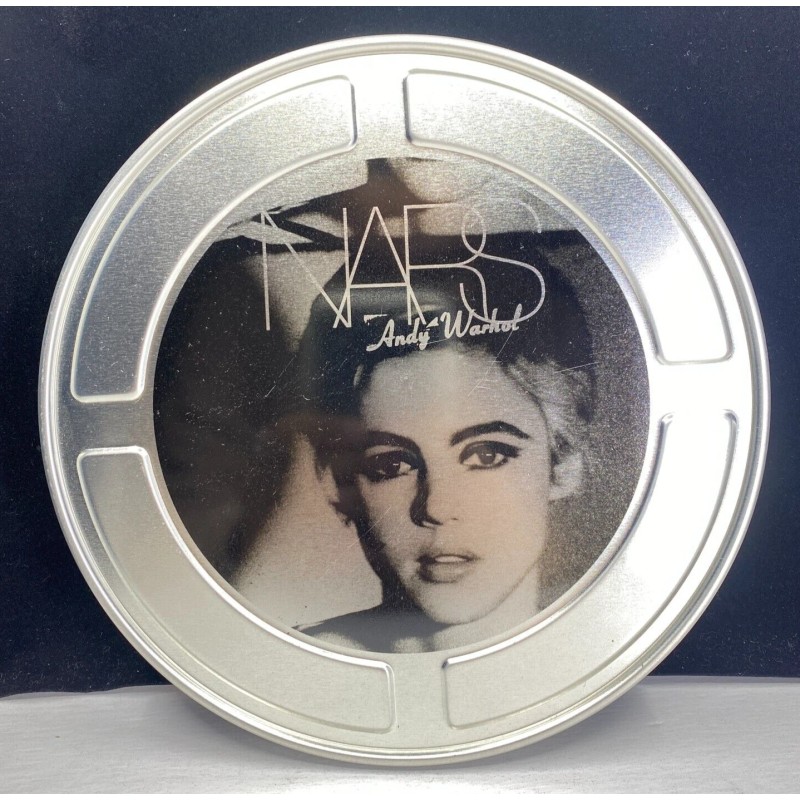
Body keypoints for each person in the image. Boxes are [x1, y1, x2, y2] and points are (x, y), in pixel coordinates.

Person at [292, 229, 596, 653]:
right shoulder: (281, 669)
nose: (436, 507)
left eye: (487, 455)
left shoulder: (611, 651)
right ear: (337, 483)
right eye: (392, 465)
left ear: (564, 463)